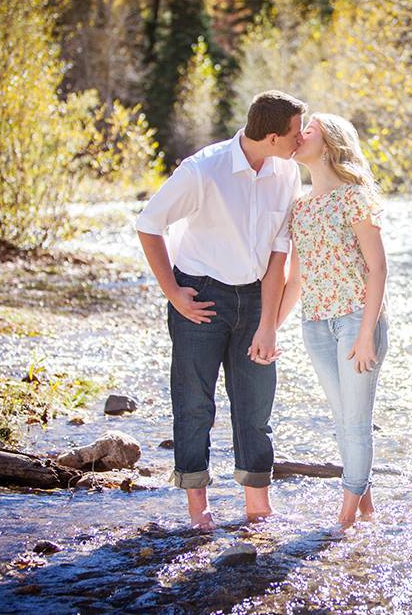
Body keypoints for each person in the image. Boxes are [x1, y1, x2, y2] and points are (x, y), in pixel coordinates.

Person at [135, 90, 305, 530]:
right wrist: (173, 292)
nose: (300, 139)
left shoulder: (286, 173)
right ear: (270, 136)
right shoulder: (202, 169)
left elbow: (277, 258)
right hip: (200, 296)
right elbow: (149, 224)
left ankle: (257, 506)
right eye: (294, 132)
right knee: (194, 403)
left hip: (254, 298)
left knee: (255, 407)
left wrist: (269, 325)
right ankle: (198, 505)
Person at [277, 113, 389, 527]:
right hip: (315, 325)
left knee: (356, 422)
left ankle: (342, 521)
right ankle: (366, 509)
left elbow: (378, 269)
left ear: (327, 145)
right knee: (343, 420)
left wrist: (366, 335)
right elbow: (296, 279)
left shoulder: (355, 197)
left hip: (357, 320)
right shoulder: (301, 208)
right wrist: (270, 329)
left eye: (308, 130)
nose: (298, 134)